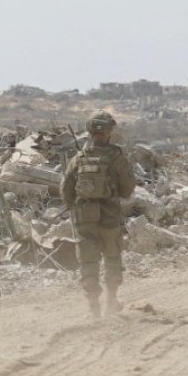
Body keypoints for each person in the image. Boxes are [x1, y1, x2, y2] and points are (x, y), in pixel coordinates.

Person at [62, 110, 136, 317]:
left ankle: (93, 304)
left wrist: (76, 207)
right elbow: (128, 188)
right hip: (110, 215)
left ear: (89, 131)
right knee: (112, 256)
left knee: (88, 260)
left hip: (84, 216)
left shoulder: (78, 159)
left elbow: (66, 191)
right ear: (109, 132)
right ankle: (111, 300)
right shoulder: (116, 157)